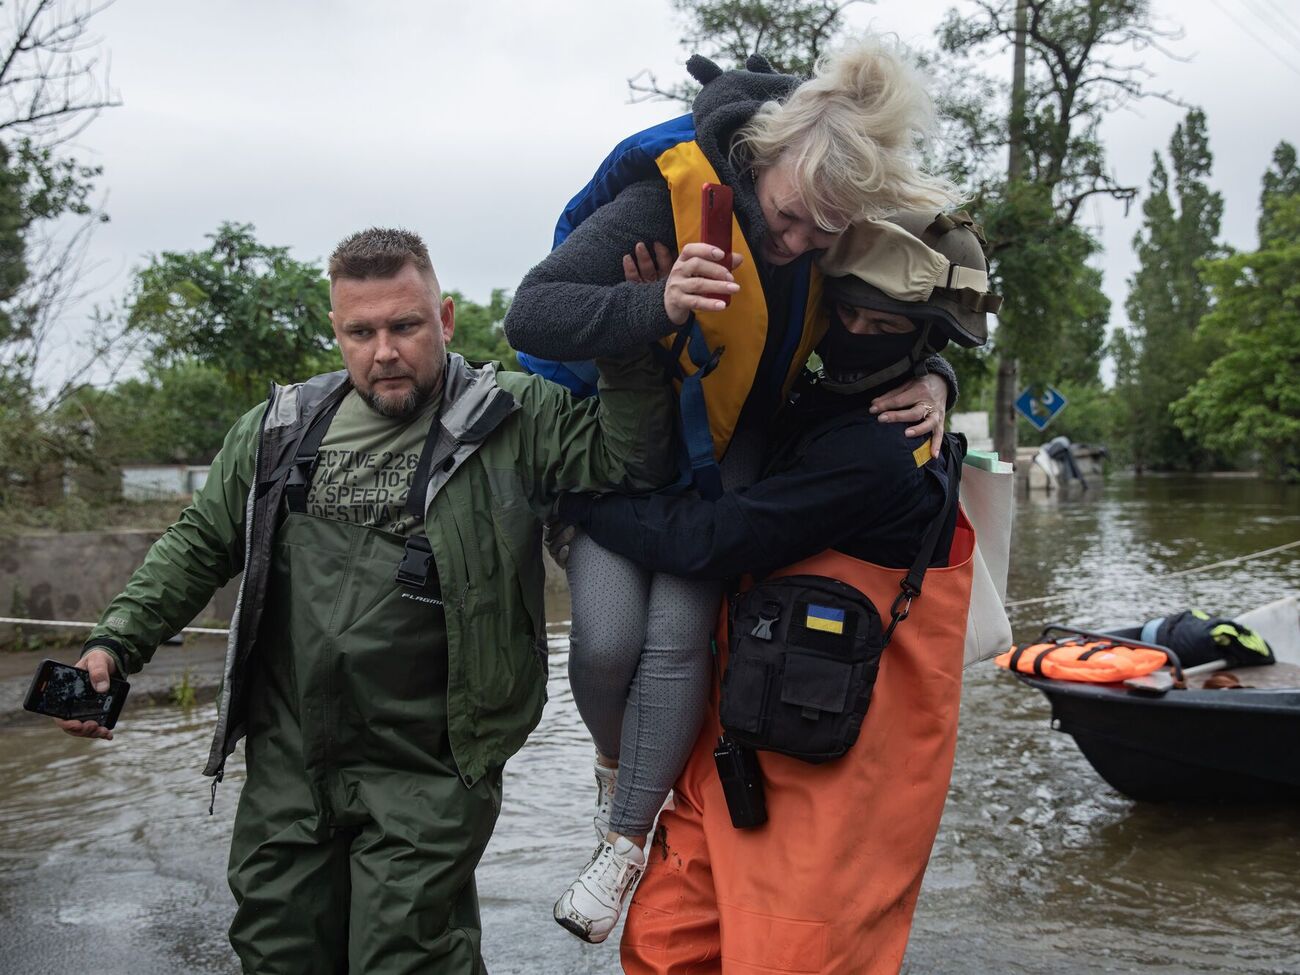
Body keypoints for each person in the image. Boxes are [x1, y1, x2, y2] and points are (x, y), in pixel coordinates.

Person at [51, 227, 674, 974]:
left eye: (405, 326)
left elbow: (630, 459)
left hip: (432, 763)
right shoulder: (280, 428)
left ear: (445, 319)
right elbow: (197, 544)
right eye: (361, 332)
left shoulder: (514, 415)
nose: (384, 351)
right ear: (336, 331)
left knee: (407, 956)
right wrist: (114, 643)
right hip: (290, 754)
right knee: (277, 948)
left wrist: (626, 334)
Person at [502, 38, 962, 943]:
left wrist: (937, 375)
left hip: (733, 445)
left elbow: (922, 306)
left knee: (678, 635)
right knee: (606, 642)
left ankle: (626, 840)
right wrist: (659, 303)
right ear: (763, 158)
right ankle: (616, 765)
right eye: (787, 221)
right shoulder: (662, 200)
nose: (794, 247)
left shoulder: (835, 214)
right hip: (624, 447)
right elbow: (532, 312)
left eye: (820, 239)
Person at [556, 210, 998, 973]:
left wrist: (582, 503)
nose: (855, 333)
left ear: (925, 335)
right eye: (847, 312)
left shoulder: (880, 448)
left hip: (838, 794)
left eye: (883, 324)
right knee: (662, 947)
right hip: (736, 758)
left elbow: (714, 538)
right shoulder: (817, 401)